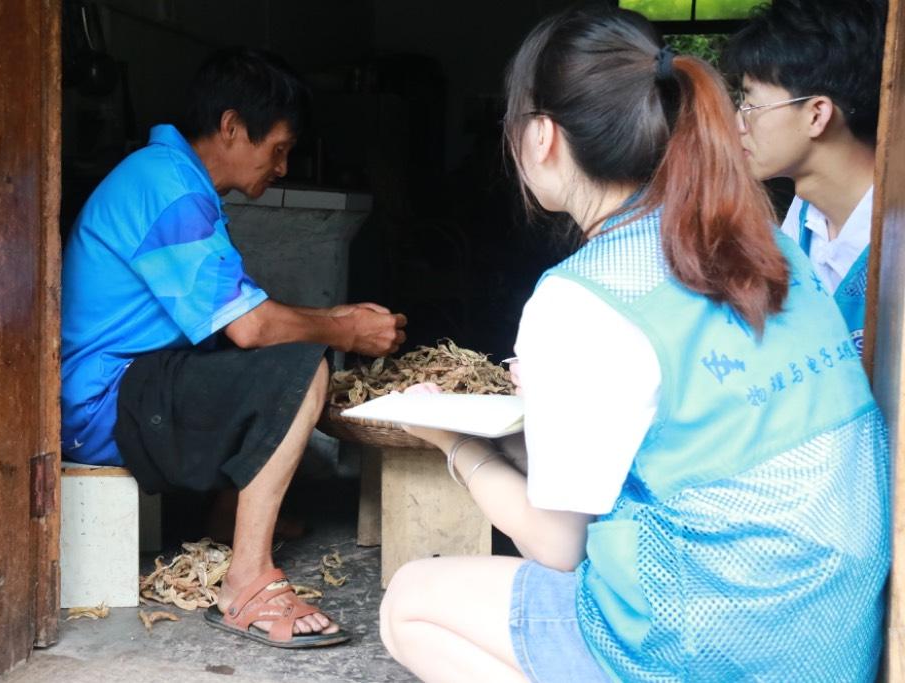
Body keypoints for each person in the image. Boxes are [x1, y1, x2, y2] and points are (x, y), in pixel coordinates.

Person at [379, 7, 889, 681]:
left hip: (717, 644)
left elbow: (559, 546)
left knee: (410, 602)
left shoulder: (580, 296)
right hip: (832, 641)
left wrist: (453, 443)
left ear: (539, 139)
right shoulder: (771, 246)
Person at [61, 47, 407, 648]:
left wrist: (334, 317)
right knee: (300, 368)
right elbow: (253, 328)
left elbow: (235, 317)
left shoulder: (170, 179)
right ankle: (245, 582)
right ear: (230, 126)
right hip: (101, 407)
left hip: (126, 384)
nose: (282, 167)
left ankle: (226, 519)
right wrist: (344, 330)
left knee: (268, 354)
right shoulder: (168, 189)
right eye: (278, 148)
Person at [723, 0, 887, 354]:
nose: (738, 123)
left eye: (751, 105)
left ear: (816, 115)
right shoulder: (802, 217)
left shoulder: (894, 240)